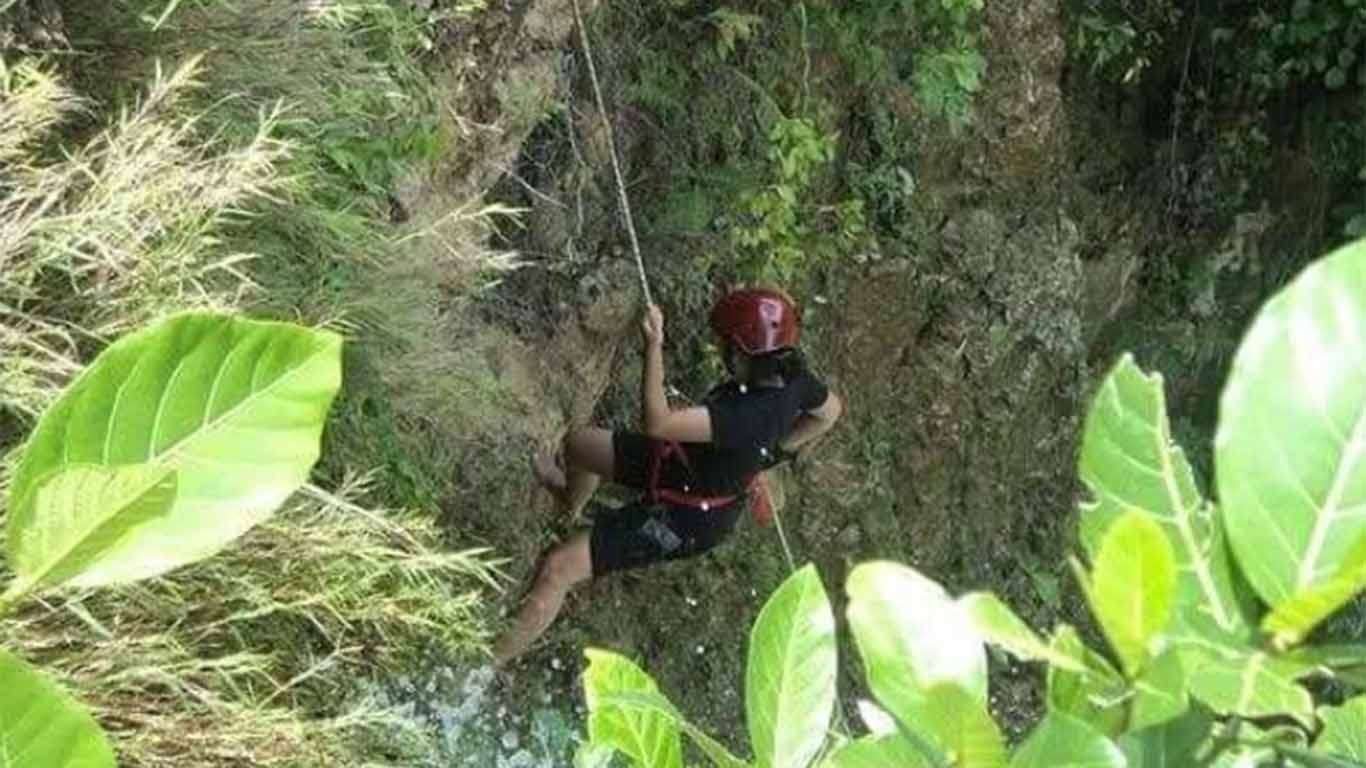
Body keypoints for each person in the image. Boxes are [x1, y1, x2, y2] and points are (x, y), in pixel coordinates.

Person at [492, 288, 843, 665]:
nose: (721, 348)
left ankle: (485, 666)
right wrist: (774, 454)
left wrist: (654, 346)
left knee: (559, 568)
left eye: (725, 343)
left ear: (741, 350)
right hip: (685, 464)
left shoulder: (748, 415)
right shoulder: (794, 379)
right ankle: (568, 505)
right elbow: (830, 413)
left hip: (690, 517)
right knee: (579, 445)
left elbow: (659, 424)